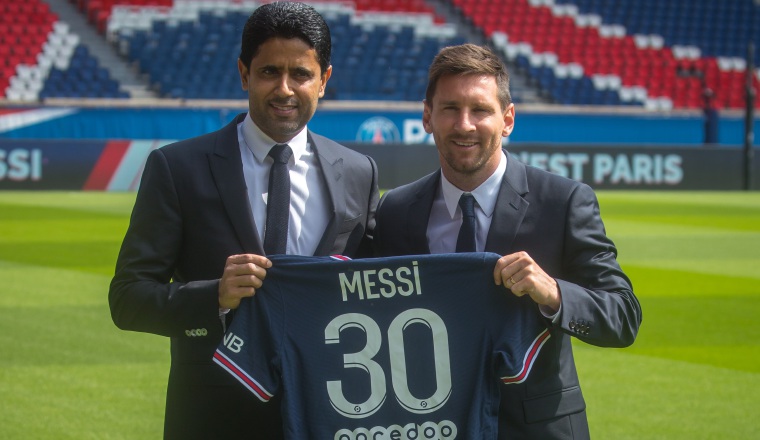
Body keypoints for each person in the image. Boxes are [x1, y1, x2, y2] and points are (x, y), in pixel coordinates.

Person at [109, 2, 379, 439]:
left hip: (330, 413)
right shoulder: (178, 168)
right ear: (244, 74)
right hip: (215, 417)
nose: (285, 89)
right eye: (270, 72)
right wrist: (215, 295)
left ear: (325, 80)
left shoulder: (358, 171)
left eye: (302, 75)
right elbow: (127, 299)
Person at [372, 43, 642, 439]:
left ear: (508, 119)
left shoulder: (563, 201)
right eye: (450, 109)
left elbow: (622, 317)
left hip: (536, 429)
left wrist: (553, 293)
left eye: (480, 110)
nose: (465, 125)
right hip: (430, 425)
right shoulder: (395, 211)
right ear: (427, 116)